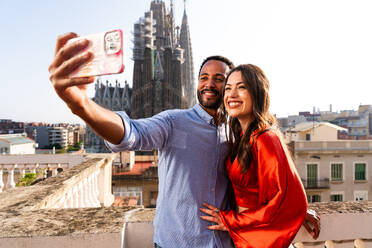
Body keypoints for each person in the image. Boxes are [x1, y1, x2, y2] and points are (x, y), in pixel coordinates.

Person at [48, 33, 319, 247]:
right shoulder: (174, 121)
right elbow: (130, 133)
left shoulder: (240, 131)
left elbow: (270, 183)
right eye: (203, 78)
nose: (210, 84)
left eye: (220, 80)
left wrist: (291, 212)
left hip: (227, 242)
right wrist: (82, 105)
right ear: (195, 83)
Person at [200, 64, 308, 247]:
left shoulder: (265, 138)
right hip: (247, 237)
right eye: (228, 88)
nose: (232, 95)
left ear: (257, 93)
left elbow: (282, 200)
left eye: (241, 87)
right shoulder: (243, 137)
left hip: (259, 240)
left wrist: (230, 220)